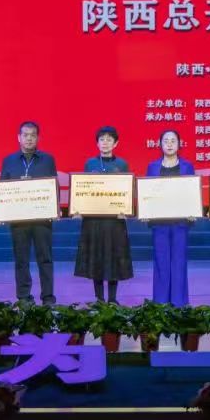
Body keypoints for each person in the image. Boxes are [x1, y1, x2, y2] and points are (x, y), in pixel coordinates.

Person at [0, 121, 58, 304]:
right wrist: (1, 212)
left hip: (42, 219)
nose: (29, 138)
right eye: (25, 135)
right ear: (19, 137)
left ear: (38, 138)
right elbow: (3, 188)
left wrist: (55, 208)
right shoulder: (9, 160)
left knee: (45, 259)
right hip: (19, 220)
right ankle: (24, 297)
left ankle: (48, 297)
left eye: (33, 135)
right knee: (21, 260)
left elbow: (53, 186)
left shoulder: (48, 160)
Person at [74, 126, 133, 303]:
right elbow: (83, 190)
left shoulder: (121, 164)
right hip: (93, 221)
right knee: (96, 258)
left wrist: (127, 209)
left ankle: (113, 299)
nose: (105, 143)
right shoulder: (90, 164)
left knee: (114, 257)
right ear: (97, 143)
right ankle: (99, 299)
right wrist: (79, 208)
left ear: (116, 143)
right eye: (102, 139)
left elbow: (127, 191)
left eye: (109, 139)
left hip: (115, 221)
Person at [147, 130, 195, 306]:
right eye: (166, 141)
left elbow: (191, 191)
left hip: (180, 223)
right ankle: (160, 304)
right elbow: (148, 193)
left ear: (179, 144)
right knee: (161, 263)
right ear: (160, 144)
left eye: (173, 141)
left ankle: (179, 304)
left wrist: (192, 210)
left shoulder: (187, 166)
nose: (169, 144)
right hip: (159, 223)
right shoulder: (152, 166)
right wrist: (145, 211)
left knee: (179, 263)